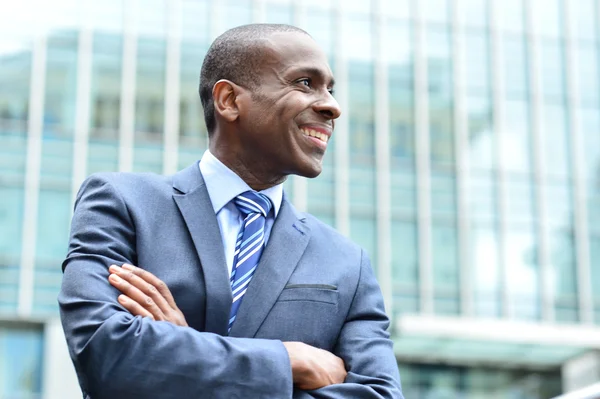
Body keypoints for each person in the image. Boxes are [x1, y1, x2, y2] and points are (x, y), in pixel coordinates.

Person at [59, 23, 403, 399]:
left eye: (330, 90)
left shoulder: (347, 263)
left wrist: (180, 349)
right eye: (305, 83)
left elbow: (379, 394)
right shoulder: (122, 204)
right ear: (228, 100)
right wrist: (289, 361)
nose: (331, 106)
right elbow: (104, 354)